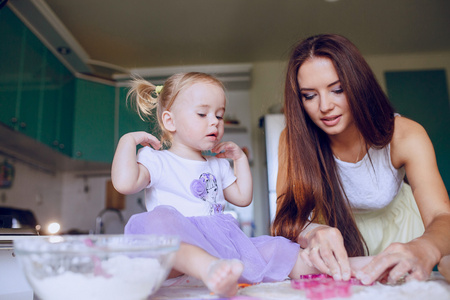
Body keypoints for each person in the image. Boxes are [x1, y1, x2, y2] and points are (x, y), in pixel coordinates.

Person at [111, 72, 371, 297]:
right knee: (156, 221)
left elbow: (243, 197)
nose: (214, 121)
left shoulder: (217, 164)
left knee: (275, 247)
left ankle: (356, 266)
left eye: (219, 115)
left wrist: (240, 160)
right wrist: (127, 141)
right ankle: (209, 268)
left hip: (223, 243)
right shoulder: (157, 160)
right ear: (170, 121)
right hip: (177, 253)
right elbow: (124, 183)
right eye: (202, 114)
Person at [272, 34, 450, 285]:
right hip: (339, 247)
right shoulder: (292, 140)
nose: (325, 106)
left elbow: (441, 216)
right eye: (309, 95)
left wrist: (425, 248)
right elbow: (283, 220)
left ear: (358, 84)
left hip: (405, 237)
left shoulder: (405, 135)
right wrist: (312, 232)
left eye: (337, 89)